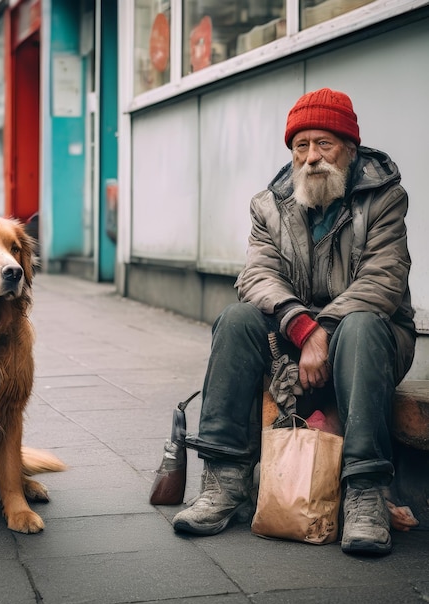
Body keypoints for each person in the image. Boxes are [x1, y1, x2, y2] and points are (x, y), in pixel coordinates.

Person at [172, 88, 416, 556]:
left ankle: (365, 492)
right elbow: (256, 275)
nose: (310, 158)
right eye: (300, 146)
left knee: (362, 325)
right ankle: (224, 481)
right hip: (294, 333)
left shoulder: (385, 198)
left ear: (350, 147)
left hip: (369, 336)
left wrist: (322, 332)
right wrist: (303, 329)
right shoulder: (270, 204)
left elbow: (383, 281)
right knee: (236, 319)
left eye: (323, 144)